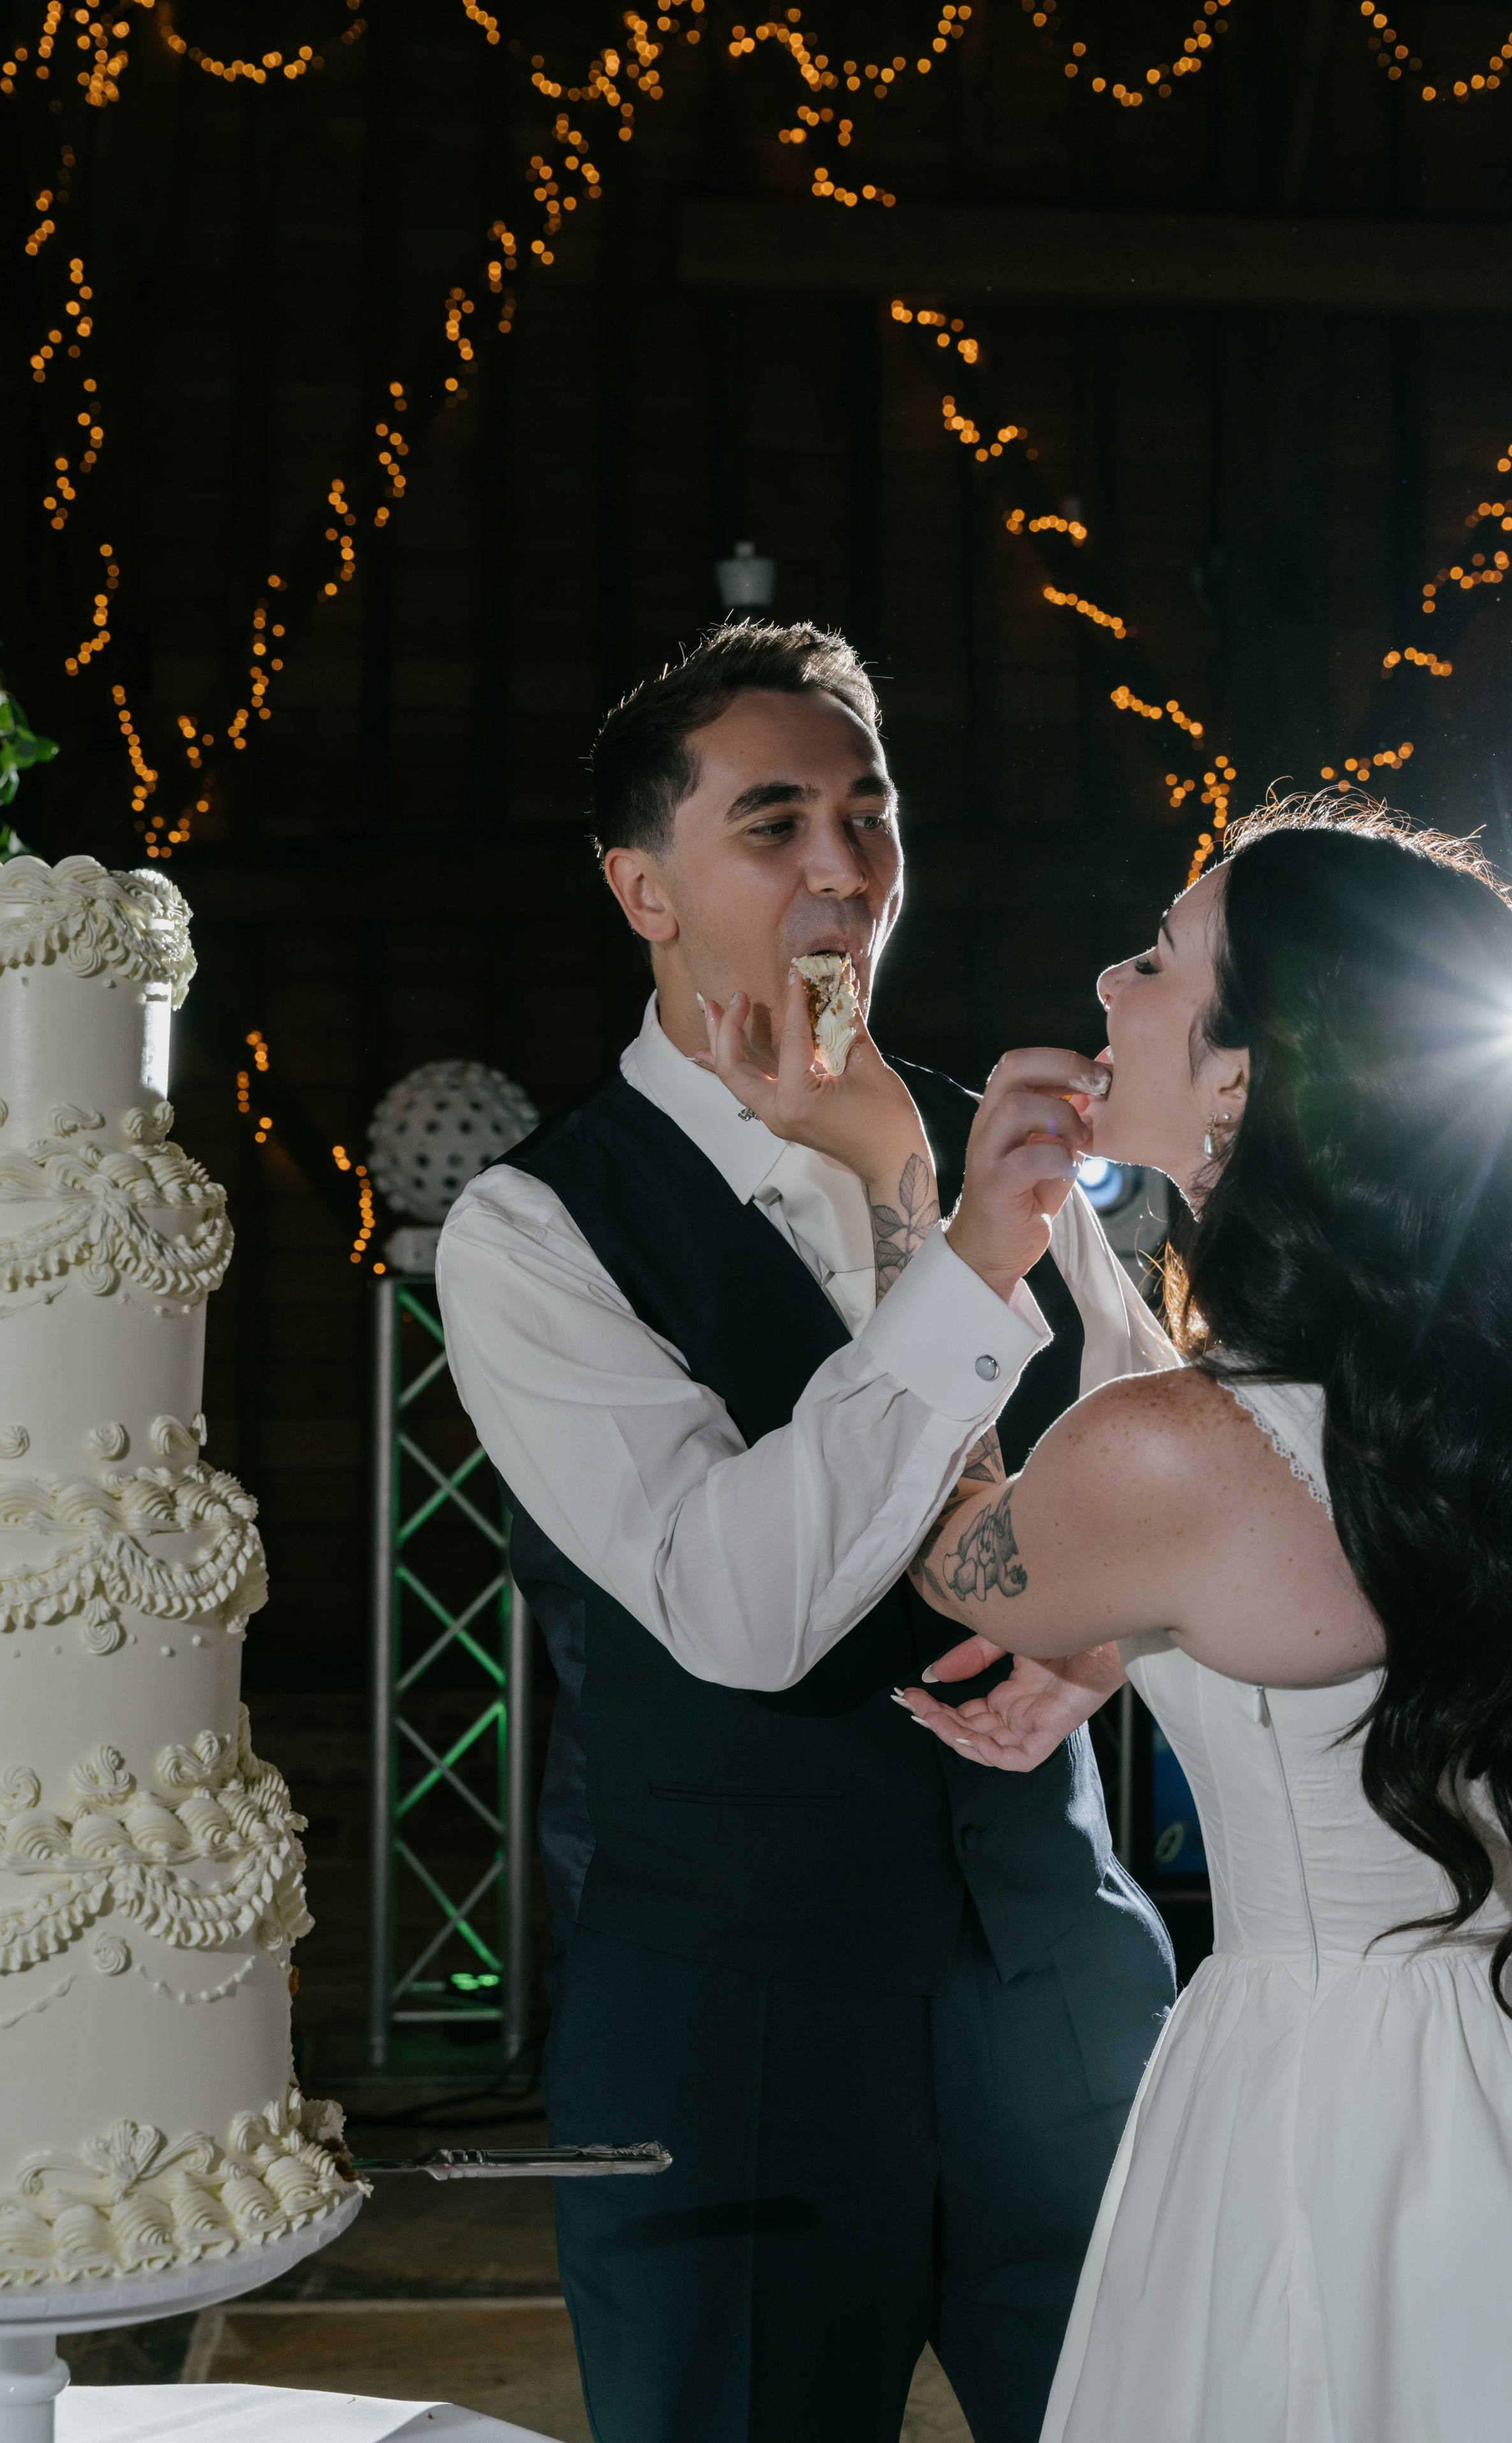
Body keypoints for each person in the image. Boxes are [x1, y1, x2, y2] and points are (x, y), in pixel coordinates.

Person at [437, 618, 1174, 2443]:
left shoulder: (995, 1144)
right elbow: (739, 1608)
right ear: (644, 890)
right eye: (775, 824)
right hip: (729, 2038)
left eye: (871, 812)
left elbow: (1188, 1468)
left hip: (1064, 1992)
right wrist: (966, 1258)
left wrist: (1115, 1633)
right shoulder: (532, 1235)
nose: (845, 865)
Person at [708, 795, 1512, 2443]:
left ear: (1243, 1074)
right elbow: (1262, 1516)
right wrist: (1138, 1631)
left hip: (1330, 2107)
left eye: (1157, 956)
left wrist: (929, 1217)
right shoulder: (1436, 1402)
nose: (1106, 972)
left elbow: (950, 1547)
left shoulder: (1176, 1460)